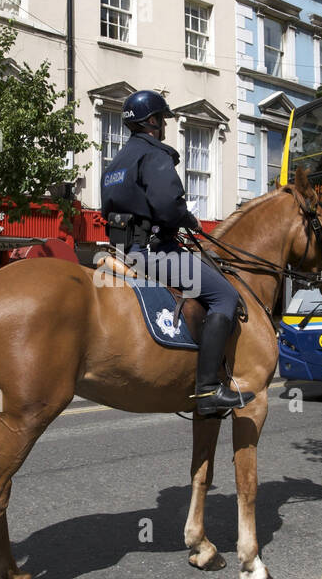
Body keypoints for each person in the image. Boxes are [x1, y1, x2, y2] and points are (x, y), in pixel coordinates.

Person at [101, 89, 253, 416]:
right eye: (163, 119)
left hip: (120, 251)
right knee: (225, 296)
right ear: (152, 121)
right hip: (153, 253)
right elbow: (168, 207)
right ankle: (209, 388)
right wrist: (187, 218)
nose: (165, 126)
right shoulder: (154, 154)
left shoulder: (116, 161)